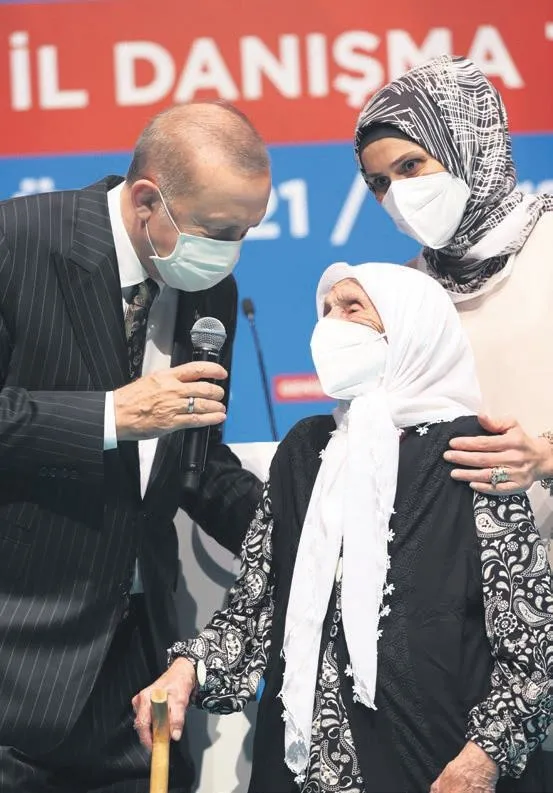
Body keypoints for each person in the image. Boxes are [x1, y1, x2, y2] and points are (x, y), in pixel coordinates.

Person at [133, 261, 553, 793]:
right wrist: (188, 669)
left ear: (412, 328)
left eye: (353, 309)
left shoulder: (471, 451)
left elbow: (535, 644)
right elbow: (254, 612)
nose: (332, 324)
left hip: (437, 767)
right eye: (326, 311)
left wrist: (483, 757)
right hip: (296, 769)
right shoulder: (305, 450)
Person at [0, 100, 271, 792]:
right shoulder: (16, 240)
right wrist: (107, 416)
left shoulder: (209, 291)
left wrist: (301, 523)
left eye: (247, 232)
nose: (231, 251)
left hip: (137, 675)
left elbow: (197, 464)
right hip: (16, 657)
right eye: (219, 231)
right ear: (147, 199)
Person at [354, 55, 553, 558]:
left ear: (466, 146)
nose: (397, 195)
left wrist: (543, 457)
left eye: (410, 166)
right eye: (379, 183)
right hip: (471, 574)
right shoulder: (406, 291)